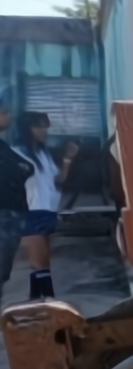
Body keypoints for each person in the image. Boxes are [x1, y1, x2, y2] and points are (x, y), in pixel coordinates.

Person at [13, 111, 78, 300]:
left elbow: (59, 180)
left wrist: (68, 159)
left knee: (40, 263)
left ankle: (35, 299)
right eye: (38, 126)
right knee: (42, 263)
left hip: (47, 211)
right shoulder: (15, 154)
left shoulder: (43, 154)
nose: (43, 130)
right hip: (29, 213)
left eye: (45, 126)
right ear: (26, 128)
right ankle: (50, 300)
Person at [0, 97, 35, 305]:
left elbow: (25, 168)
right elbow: (20, 169)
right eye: (4, 112)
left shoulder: (3, 146)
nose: (9, 116)